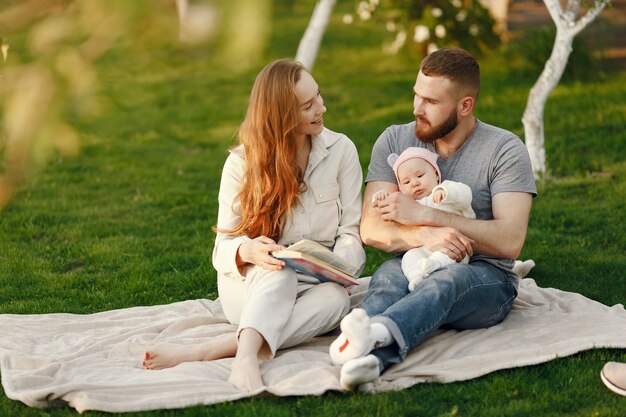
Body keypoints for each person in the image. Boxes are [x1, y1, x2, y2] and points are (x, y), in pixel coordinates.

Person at [142, 59, 366, 392]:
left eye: (318, 96)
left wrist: (344, 269)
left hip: (315, 282)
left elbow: (350, 231)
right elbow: (222, 251)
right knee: (279, 271)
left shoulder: (341, 150)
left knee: (336, 300)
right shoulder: (240, 164)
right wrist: (249, 250)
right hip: (253, 285)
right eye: (308, 106)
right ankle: (245, 358)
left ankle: (211, 350)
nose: (322, 107)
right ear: (282, 116)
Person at [329, 47, 537, 390]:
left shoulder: (504, 149)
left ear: (465, 105)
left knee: (447, 282)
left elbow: (510, 240)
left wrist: (426, 214)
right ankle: (365, 359)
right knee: (387, 278)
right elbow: (370, 227)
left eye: (430, 102)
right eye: (416, 96)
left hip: (484, 278)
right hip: (413, 260)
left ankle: (369, 337)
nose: (416, 109)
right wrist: (423, 236)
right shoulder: (395, 139)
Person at [371, 146, 475, 292]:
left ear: (436, 175)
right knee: (409, 257)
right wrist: (381, 199)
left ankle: (434, 264)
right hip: (422, 250)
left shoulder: (445, 189)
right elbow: (388, 213)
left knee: (446, 254)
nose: (414, 183)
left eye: (420, 176)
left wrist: (446, 192)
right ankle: (416, 276)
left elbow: (465, 195)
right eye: (406, 182)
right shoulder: (409, 205)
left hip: (454, 248)